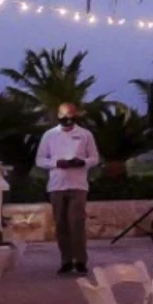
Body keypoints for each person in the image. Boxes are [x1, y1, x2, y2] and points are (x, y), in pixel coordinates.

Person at [34, 102, 100, 277]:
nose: (68, 121)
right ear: (58, 117)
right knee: (61, 224)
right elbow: (40, 160)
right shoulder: (49, 135)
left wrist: (83, 162)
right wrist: (56, 163)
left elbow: (94, 157)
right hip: (57, 185)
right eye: (64, 118)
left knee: (76, 223)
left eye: (71, 118)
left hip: (78, 185)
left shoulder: (85, 135)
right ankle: (65, 260)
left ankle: (80, 261)